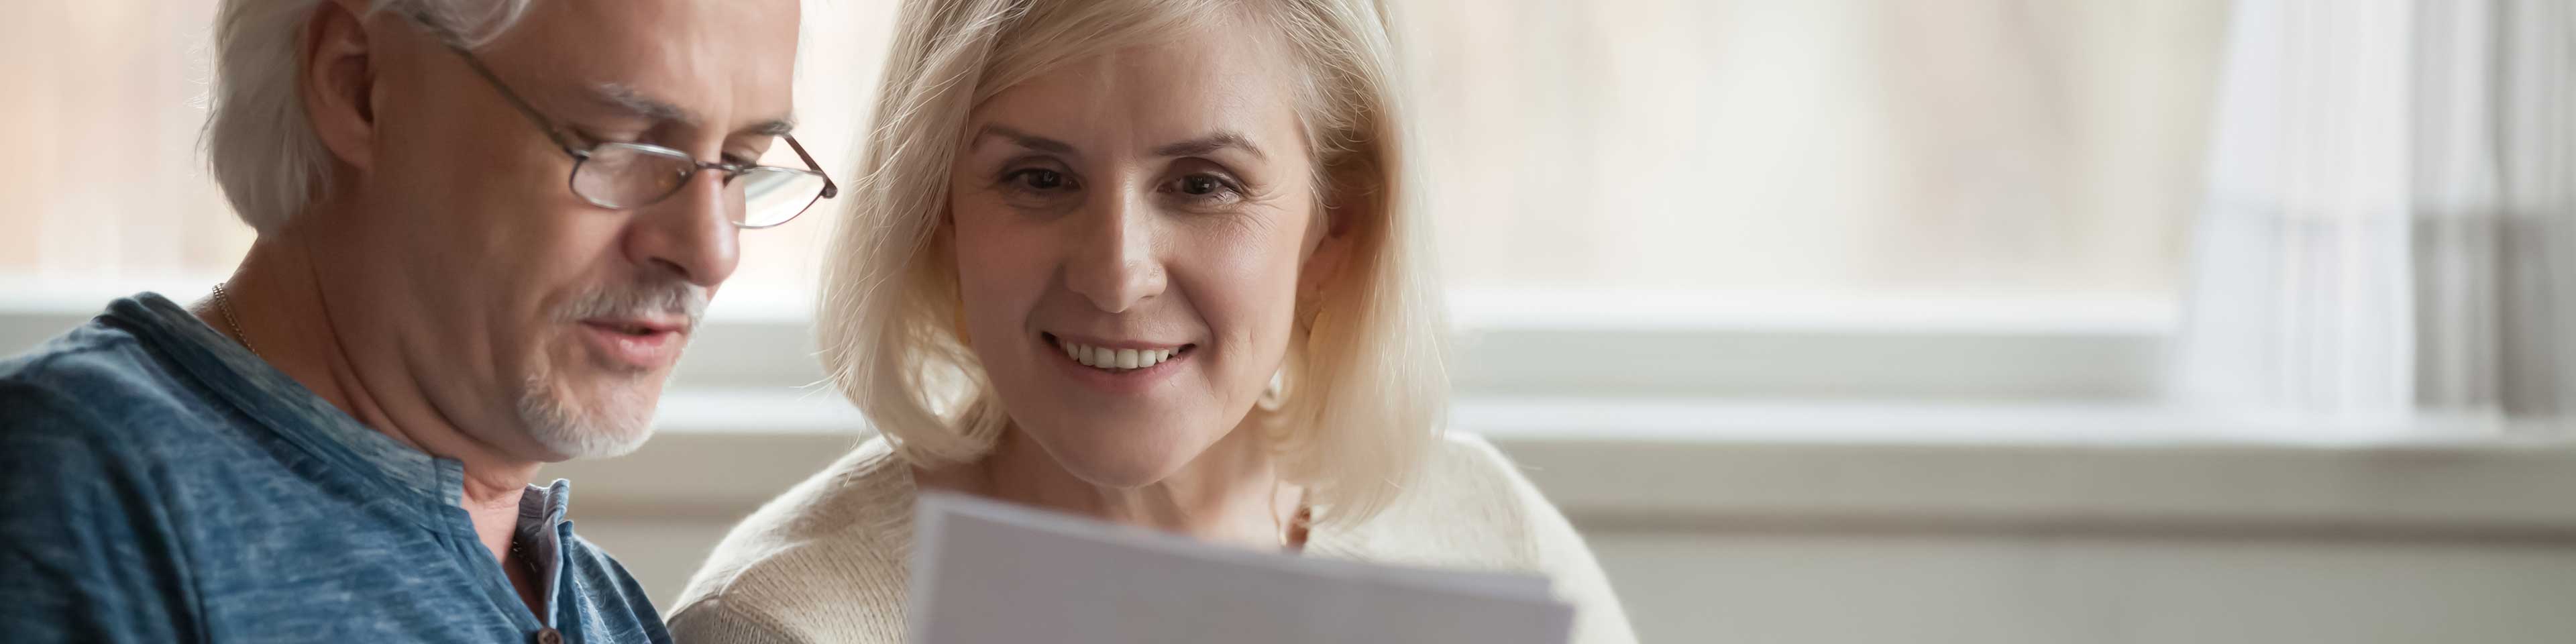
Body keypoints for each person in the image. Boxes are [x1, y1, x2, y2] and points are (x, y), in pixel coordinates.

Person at [665, 0, 1637, 642]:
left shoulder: (1489, 537)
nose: (1117, 274)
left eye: (1203, 185)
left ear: (1334, 227)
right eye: (1039, 179)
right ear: (940, 213)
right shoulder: (783, 626)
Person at [0, 0, 828, 641]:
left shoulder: (606, 608)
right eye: (620, 146)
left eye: (742, 167)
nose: (712, 252)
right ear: (357, 84)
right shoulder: (75, 493)